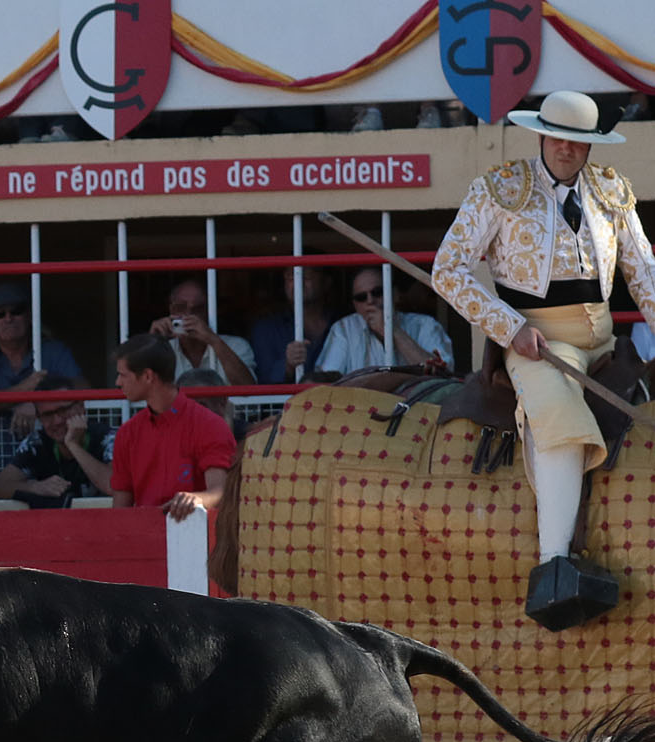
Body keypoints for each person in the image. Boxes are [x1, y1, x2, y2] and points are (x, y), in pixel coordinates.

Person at [431, 89, 655, 626]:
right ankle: (554, 566)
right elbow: (447, 269)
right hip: (539, 339)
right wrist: (509, 328)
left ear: (591, 147)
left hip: (602, 336)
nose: (566, 150)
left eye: (578, 142)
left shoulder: (611, 190)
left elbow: (644, 274)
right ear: (541, 134)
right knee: (559, 413)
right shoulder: (499, 187)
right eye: (558, 137)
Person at [109, 334, 236, 521]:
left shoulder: (209, 425)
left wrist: (196, 499)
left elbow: (220, 492)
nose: (117, 382)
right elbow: (119, 513)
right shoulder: (128, 432)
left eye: (122, 375)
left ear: (147, 376)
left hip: (197, 537)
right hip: (146, 537)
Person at [0, 280, 87, 449]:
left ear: (30, 315)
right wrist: (23, 390)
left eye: (16, 311)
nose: (8, 318)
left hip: (49, 454)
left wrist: (37, 402)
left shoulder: (53, 351)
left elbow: (83, 388)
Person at [0, 377, 111, 507]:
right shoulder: (36, 442)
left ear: (80, 407)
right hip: (56, 524)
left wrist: (73, 445)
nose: (57, 420)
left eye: (63, 410)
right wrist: (35, 487)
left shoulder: (107, 437)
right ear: (39, 418)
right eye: (48, 415)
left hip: (104, 521)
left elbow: (113, 485)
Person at [314, 267, 453, 375]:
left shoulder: (425, 325)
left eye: (378, 292)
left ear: (395, 294)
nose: (370, 300)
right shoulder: (344, 329)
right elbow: (328, 380)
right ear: (355, 305)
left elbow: (442, 373)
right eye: (361, 297)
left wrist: (393, 330)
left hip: (416, 408)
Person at [147, 278, 257, 386]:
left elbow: (249, 392)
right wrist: (152, 343)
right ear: (171, 310)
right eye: (181, 307)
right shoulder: (163, 350)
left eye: (198, 309)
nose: (188, 315)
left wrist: (213, 340)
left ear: (211, 311)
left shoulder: (236, 345)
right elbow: (139, 391)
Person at [249, 267, 340, 384]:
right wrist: (288, 365)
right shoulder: (266, 329)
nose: (298, 281)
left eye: (306, 276)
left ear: (326, 282)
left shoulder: (343, 324)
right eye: (290, 276)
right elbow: (261, 383)